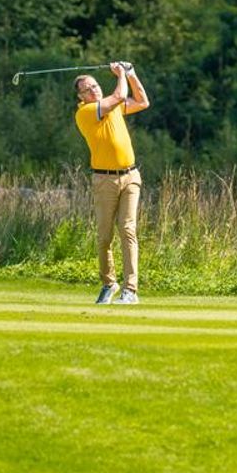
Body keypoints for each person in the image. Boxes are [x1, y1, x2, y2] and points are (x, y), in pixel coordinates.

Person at [73, 62, 149, 304]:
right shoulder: (86, 112)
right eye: (87, 89)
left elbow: (142, 101)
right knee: (105, 235)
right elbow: (119, 95)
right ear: (81, 97)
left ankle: (131, 290)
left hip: (130, 176)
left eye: (95, 85)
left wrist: (132, 74)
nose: (93, 90)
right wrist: (120, 75)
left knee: (128, 229)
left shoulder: (113, 106)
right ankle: (109, 283)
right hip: (104, 179)